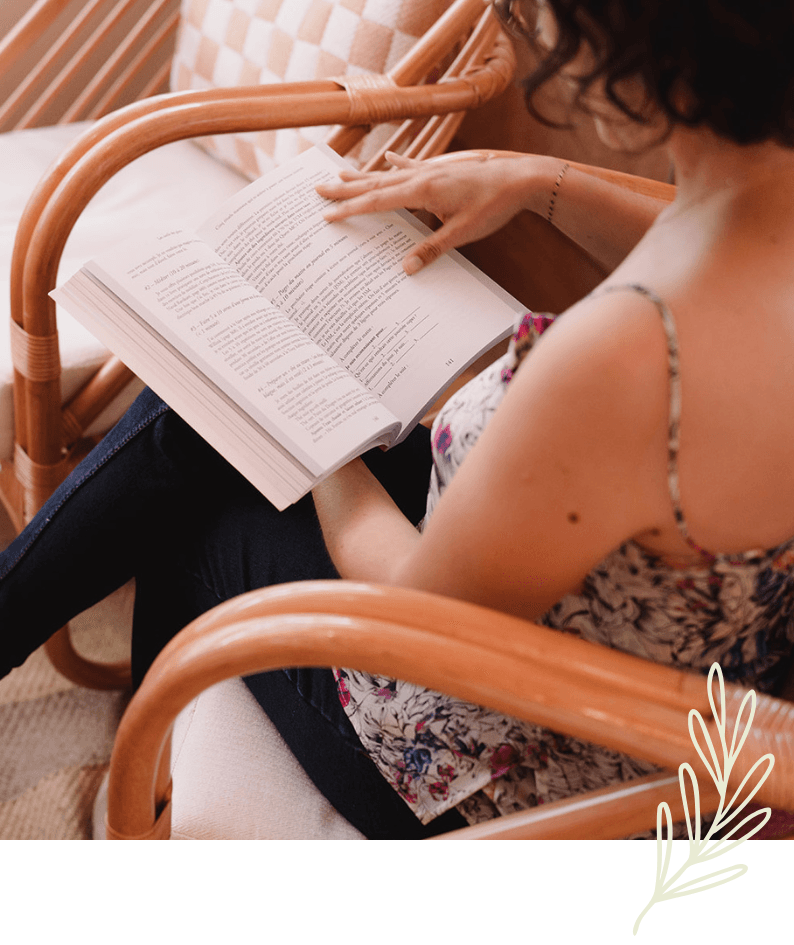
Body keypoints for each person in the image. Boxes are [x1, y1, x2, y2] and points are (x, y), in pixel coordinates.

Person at [2, 0, 794, 837]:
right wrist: (538, 184)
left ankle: (137, 791)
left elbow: (415, 617)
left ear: (637, 59)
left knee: (202, 434)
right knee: (197, 422)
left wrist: (300, 415)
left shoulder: (624, 359)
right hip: (680, 677)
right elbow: (699, 227)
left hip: (512, 777)